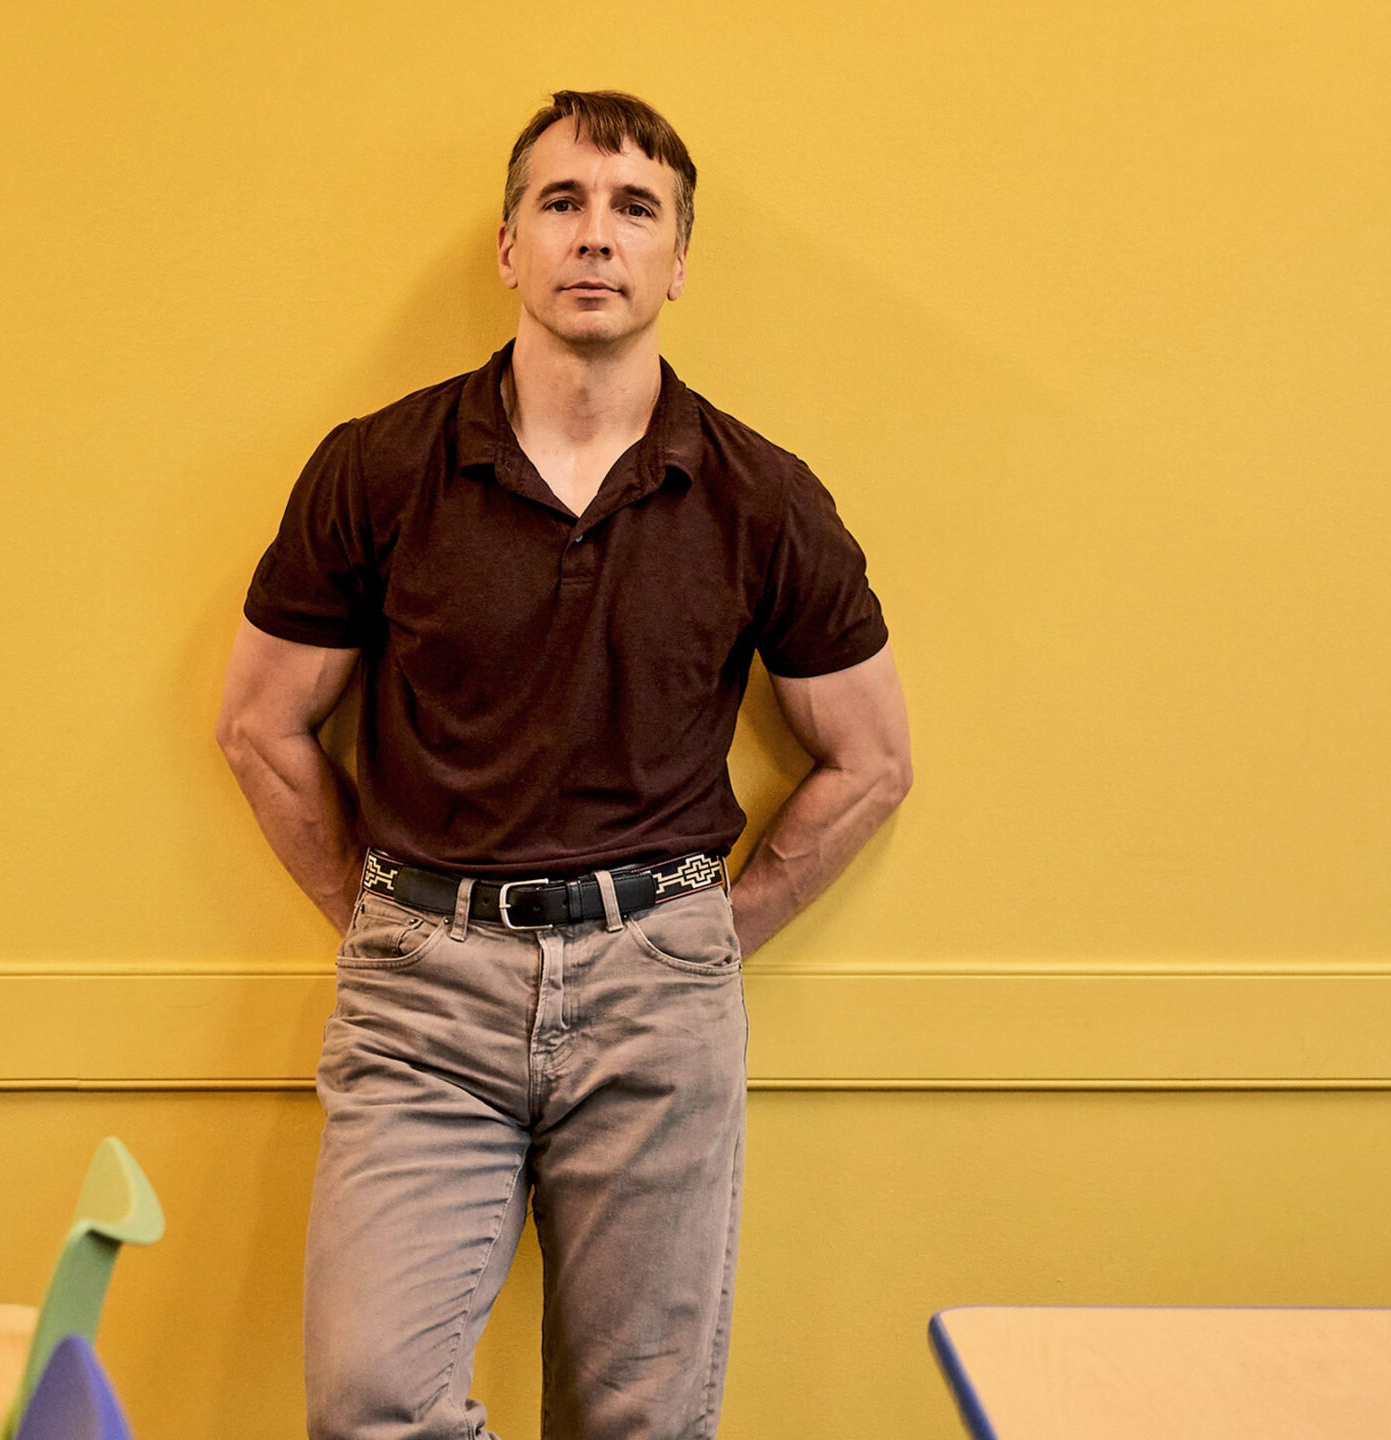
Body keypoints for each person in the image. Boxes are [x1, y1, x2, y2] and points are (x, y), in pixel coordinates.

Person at [216, 88, 912, 1440]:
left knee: (638, 1428)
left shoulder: (761, 496)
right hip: (423, 1005)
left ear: (678, 261)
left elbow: (872, 760)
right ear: (510, 248)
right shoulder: (379, 470)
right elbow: (259, 723)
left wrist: (714, 928)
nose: (597, 235)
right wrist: (379, 916)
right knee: (370, 1406)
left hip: (660, 991)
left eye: (634, 208)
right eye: (564, 202)